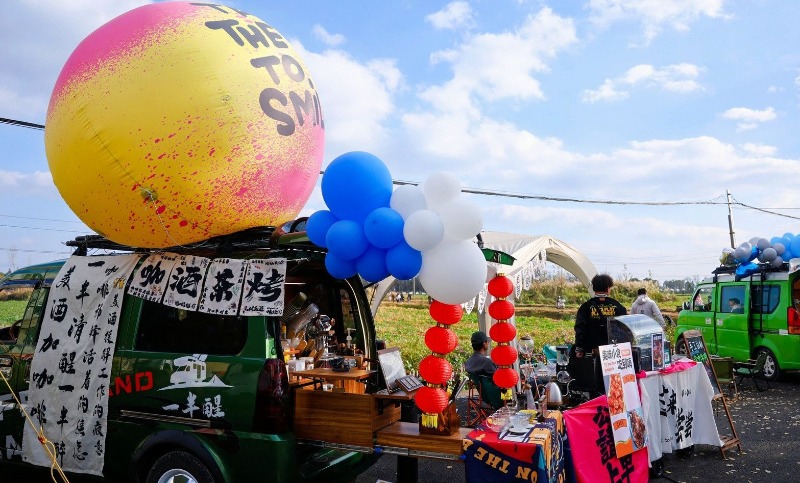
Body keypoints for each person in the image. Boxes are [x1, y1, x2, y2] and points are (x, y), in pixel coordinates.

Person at [574, 274, 627, 359]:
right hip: (612, 351)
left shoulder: (586, 307)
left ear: (593, 288)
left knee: (593, 367)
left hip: (591, 351)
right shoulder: (617, 306)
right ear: (608, 288)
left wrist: (579, 349)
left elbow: (580, 329)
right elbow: (624, 328)